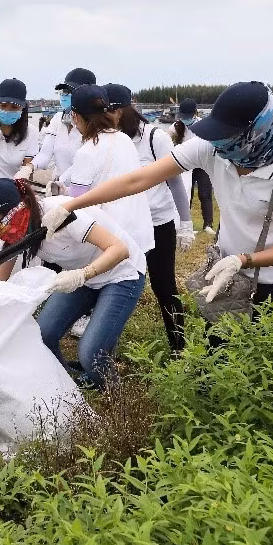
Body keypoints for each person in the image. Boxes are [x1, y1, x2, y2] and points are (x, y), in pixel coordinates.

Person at [44, 81, 273, 313]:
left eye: (227, 137)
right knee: (217, 349)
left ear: (257, 133)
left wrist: (242, 260)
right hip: (226, 268)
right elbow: (138, 179)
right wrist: (72, 204)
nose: (218, 144)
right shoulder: (212, 149)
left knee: (259, 358)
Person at [0, 178, 146, 389]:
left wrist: (82, 275)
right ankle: (69, 389)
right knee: (43, 335)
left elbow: (120, 250)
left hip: (121, 273)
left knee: (91, 354)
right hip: (82, 276)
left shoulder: (62, 216)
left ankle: (115, 394)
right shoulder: (18, 230)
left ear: (11, 212)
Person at [109, 83, 194, 354]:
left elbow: (176, 183)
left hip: (158, 222)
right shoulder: (110, 139)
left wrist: (186, 223)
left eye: (111, 110)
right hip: (125, 224)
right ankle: (104, 346)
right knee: (115, 282)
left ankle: (179, 346)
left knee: (163, 284)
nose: (106, 116)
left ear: (125, 109)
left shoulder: (155, 137)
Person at [63, 84, 155, 254]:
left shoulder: (87, 151)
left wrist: (60, 196)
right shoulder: (124, 139)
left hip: (113, 242)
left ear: (75, 117)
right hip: (140, 236)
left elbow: (78, 203)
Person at [34, 68, 93, 192]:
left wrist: (60, 183)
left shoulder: (93, 126)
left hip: (82, 190)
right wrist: (29, 167)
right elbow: (45, 154)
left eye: (70, 92)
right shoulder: (57, 119)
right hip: (58, 187)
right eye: (63, 91)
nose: (64, 95)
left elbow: (82, 163)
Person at [173, 99, 215, 234]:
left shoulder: (204, 125)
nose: (185, 119)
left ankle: (208, 224)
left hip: (202, 164)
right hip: (184, 165)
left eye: (188, 116)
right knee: (186, 193)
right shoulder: (176, 127)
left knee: (205, 193)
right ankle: (186, 224)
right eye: (183, 116)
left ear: (195, 113)